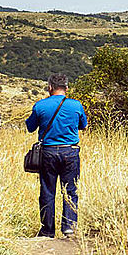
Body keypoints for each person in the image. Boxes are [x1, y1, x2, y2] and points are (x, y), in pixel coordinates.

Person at [26, 73, 88, 238]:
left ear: (50, 87)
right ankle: (69, 227)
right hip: (71, 151)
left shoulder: (40, 106)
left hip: (48, 152)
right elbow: (83, 125)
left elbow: (30, 127)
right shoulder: (76, 105)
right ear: (67, 88)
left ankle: (47, 230)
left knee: (47, 191)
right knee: (70, 190)